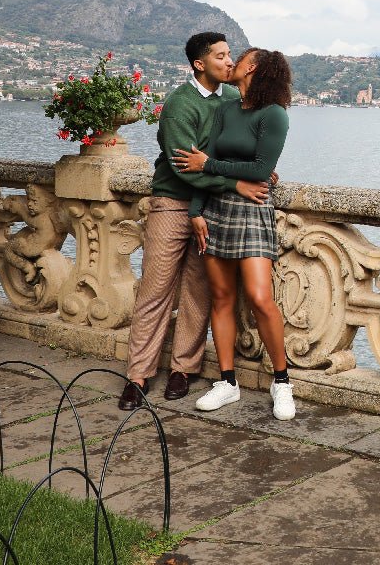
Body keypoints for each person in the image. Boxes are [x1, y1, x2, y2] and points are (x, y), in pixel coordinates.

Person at [117, 32, 272, 411]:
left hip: (214, 207)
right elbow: (184, 167)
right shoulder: (180, 105)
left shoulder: (233, 98)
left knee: (198, 292)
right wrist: (236, 182)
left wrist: (259, 167)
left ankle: (183, 369)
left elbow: (242, 145)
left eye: (230, 54)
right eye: (221, 56)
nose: (229, 61)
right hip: (173, 202)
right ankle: (138, 375)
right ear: (200, 64)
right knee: (155, 289)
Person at [172, 47, 296, 421]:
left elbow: (259, 169)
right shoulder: (226, 109)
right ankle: (228, 382)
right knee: (222, 298)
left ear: (252, 67)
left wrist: (211, 164)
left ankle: (282, 382)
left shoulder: (274, 114)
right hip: (215, 208)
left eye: (239, 58)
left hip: (252, 209)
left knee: (260, 298)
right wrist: (196, 211)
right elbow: (198, 165)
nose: (233, 62)